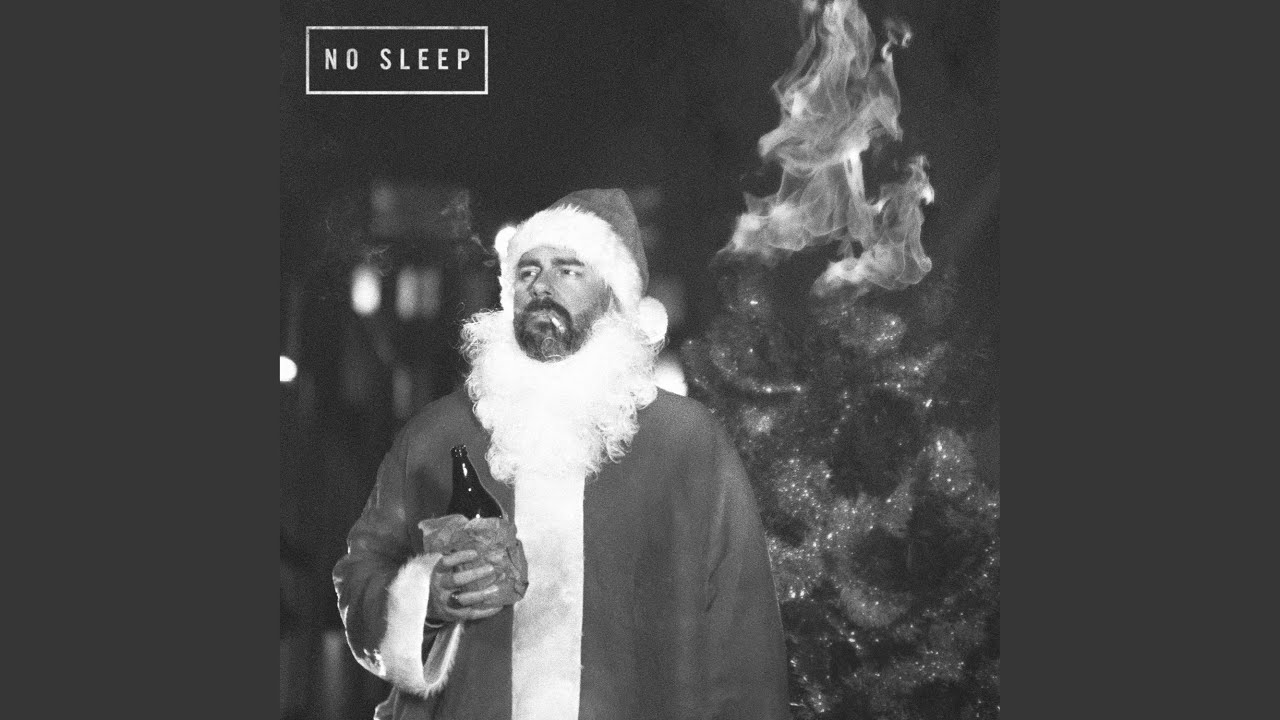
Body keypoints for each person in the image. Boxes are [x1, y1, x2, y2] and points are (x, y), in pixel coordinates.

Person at [333, 188, 790, 720]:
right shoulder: (436, 434)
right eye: (527, 271)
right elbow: (361, 572)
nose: (542, 285)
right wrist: (427, 600)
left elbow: (743, 633)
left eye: (569, 270)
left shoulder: (689, 443)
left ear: (613, 296)